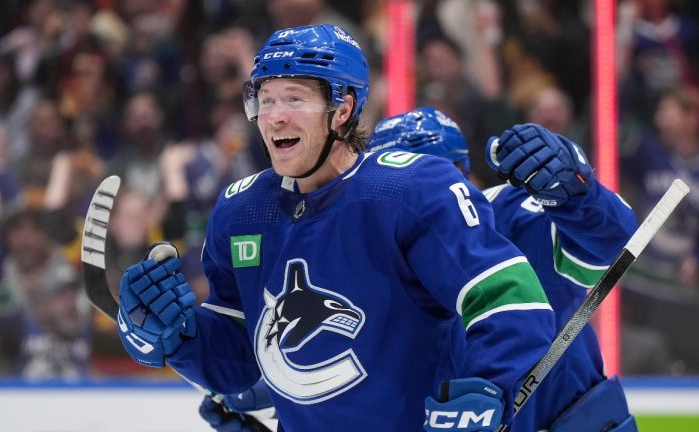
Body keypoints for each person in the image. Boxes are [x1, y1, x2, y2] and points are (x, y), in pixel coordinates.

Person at [114, 24, 556, 431]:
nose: (275, 117)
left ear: (342, 108)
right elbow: (240, 357)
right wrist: (175, 337)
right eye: (265, 100)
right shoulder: (242, 210)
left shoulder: (412, 190)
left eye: (294, 98)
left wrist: (488, 385)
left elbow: (507, 296)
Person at [367, 107, 639, 431]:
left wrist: (576, 190)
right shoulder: (360, 252)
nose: (415, 198)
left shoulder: (507, 213)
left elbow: (608, 241)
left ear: (461, 177)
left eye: (428, 178)